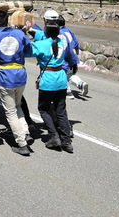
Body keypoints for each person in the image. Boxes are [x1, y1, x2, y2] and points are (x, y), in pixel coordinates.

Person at [26, 20, 76, 153]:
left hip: (48, 79)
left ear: (45, 32)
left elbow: (27, 52)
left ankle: (54, 135)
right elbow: (46, 36)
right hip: (61, 78)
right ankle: (66, 140)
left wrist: (24, 33)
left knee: (43, 109)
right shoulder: (60, 42)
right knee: (61, 111)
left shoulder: (41, 44)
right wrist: (32, 29)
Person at [0, 10, 33, 156]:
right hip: (21, 73)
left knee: (10, 111)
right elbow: (29, 49)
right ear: (7, 21)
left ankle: (21, 143)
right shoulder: (19, 34)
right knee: (17, 105)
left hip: (6, 76)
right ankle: (24, 132)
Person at [57, 15, 89, 98]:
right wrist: (76, 56)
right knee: (70, 75)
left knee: (62, 74)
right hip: (73, 57)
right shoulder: (69, 31)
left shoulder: (57, 32)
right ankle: (81, 83)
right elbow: (76, 43)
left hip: (64, 58)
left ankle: (67, 91)